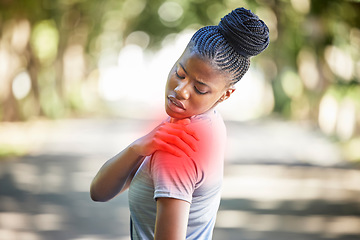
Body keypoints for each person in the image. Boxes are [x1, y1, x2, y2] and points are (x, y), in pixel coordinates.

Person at [90, 7, 269, 240]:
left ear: (225, 95)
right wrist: (138, 148)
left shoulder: (180, 146)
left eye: (200, 89)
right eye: (180, 73)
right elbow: (100, 192)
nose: (180, 91)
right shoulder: (207, 122)